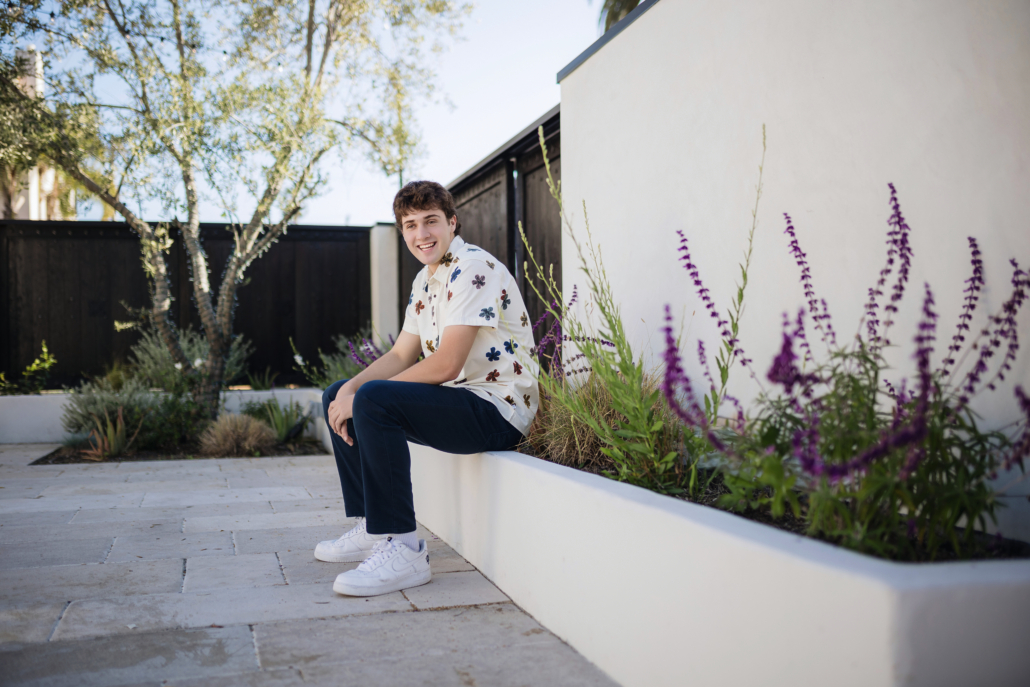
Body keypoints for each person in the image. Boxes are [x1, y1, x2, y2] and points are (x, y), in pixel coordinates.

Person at [317, 180, 539, 597]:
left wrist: (363, 396)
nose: (422, 235)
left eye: (431, 222)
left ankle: (404, 548)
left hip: (499, 412)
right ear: (402, 232)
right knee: (338, 392)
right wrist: (349, 389)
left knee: (372, 398)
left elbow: (446, 363)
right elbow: (402, 354)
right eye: (411, 225)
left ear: (452, 223)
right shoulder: (426, 280)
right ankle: (373, 525)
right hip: (460, 402)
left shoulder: (472, 268)